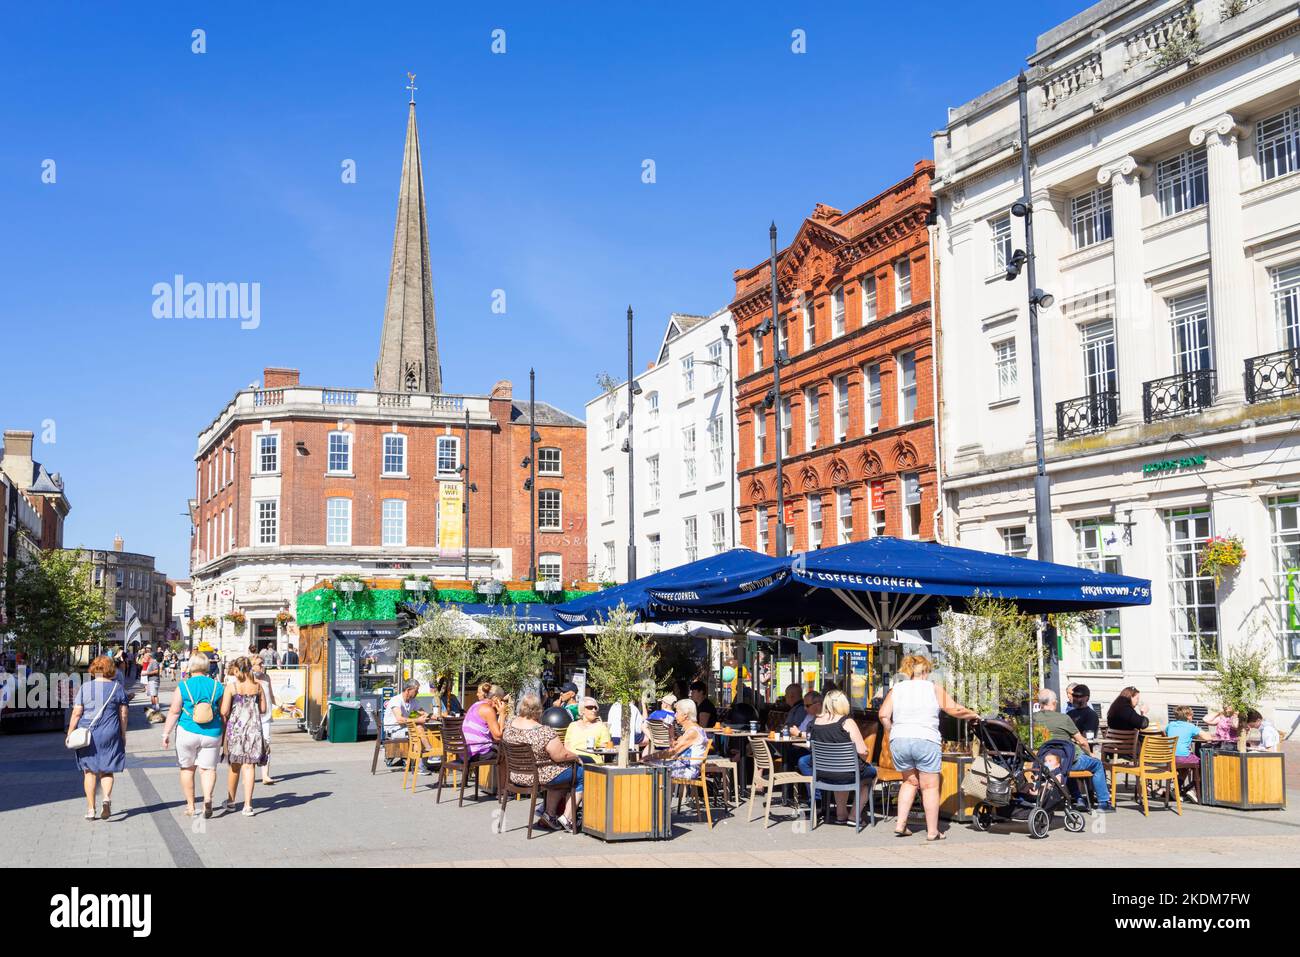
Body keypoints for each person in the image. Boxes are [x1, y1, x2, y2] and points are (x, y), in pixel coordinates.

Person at [880, 655, 981, 839]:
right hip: (925, 739)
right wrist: (973, 714)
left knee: (909, 782)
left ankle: (901, 824)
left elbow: (883, 715)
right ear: (925, 671)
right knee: (929, 787)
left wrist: (892, 731)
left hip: (900, 739)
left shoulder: (897, 688)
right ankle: (932, 831)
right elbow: (954, 709)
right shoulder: (932, 688)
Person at [503, 692, 584, 831]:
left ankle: (549, 815)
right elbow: (561, 755)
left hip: (515, 775)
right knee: (580, 773)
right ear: (539, 710)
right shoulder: (543, 731)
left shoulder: (509, 726)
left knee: (562, 774)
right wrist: (576, 757)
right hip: (537, 776)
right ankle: (567, 817)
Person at [796, 689, 876, 825]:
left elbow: (810, 745)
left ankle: (841, 814)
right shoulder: (847, 722)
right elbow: (863, 751)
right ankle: (854, 816)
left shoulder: (815, 722)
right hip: (847, 772)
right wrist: (862, 760)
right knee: (872, 775)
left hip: (822, 773)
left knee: (840, 774)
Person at [161, 652, 225, 819]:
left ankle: (191, 806)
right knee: (208, 769)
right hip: (212, 732)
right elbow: (223, 712)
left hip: (187, 731)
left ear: (190, 666)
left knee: (187, 769)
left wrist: (166, 733)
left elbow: (174, 711)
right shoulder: (218, 686)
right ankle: (208, 799)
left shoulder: (184, 686)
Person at [1031, 689, 1116, 813]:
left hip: (1044, 762)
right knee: (1096, 764)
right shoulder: (1063, 718)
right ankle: (1103, 803)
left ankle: (1078, 798)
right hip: (1068, 761)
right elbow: (1082, 742)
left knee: (1066, 764)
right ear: (1054, 703)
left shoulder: (1032, 719)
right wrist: (1090, 754)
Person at [67, 656, 130, 821]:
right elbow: (123, 714)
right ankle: (106, 799)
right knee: (107, 770)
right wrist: (123, 734)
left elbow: (76, 713)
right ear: (110, 669)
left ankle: (90, 810)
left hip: (88, 734)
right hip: (111, 731)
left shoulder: (85, 688)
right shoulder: (118, 688)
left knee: (89, 771)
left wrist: (70, 731)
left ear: (94, 669)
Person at [220, 657, 268, 816]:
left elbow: (224, 711)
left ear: (238, 670)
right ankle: (248, 805)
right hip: (254, 729)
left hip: (236, 730)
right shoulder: (258, 686)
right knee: (250, 766)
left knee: (234, 766)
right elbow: (263, 709)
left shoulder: (232, 687)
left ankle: (231, 801)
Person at [653, 699, 708, 781]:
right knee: (655, 763)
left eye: (677, 712)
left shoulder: (692, 732)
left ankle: (662, 793)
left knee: (652, 768)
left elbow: (673, 752)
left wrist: (650, 757)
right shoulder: (696, 729)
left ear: (685, 715)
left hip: (687, 770)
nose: (675, 715)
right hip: (686, 766)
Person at [1166, 705, 1212, 801]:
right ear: (1187, 716)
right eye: (1191, 715)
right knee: (1203, 763)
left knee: (1185, 768)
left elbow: (1167, 734)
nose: (1192, 717)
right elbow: (1208, 738)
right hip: (1183, 756)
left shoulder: (1170, 725)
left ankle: (1176, 789)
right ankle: (1194, 789)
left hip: (1170, 757)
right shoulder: (1191, 726)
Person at [250, 655, 277, 785]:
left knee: (266, 743)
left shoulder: (266, 678)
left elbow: (271, 694)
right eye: (259, 664)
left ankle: (265, 775)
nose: (262, 666)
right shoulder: (248, 679)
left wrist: (281, 705)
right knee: (251, 745)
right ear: (252, 665)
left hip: (266, 716)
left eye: (263, 663)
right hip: (251, 717)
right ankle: (249, 775)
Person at [463, 683, 506, 761]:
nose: (502, 703)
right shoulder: (488, 710)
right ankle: (505, 774)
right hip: (476, 752)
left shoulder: (475, 705)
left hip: (466, 751)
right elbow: (498, 737)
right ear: (495, 698)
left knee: (500, 751)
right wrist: (502, 714)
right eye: (501, 700)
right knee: (506, 755)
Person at [564, 697, 613, 762]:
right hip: (572, 758)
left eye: (595, 708)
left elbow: (606, 746)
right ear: (582, 710)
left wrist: (597, 746)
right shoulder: (573, 725)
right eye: (590, 707)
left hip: (591, 758)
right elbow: (567, 745)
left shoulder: (601, 727)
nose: (593, 710)